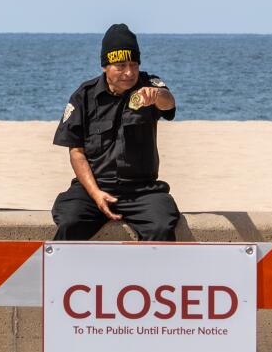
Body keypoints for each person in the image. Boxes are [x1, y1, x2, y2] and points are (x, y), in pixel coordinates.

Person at [51, 23, 180, 241]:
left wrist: (157, 95)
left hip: (142, 191)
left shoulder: (149, 84)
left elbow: (169, 104)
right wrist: (95, 193)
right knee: (69, 222)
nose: (129, 72)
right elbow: (77, 152)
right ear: (105, 66)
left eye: (133, 65)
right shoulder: (84, 96)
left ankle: (152, 275)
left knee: (162, 225)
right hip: (94, 189)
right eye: (120, 66)